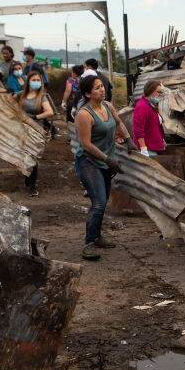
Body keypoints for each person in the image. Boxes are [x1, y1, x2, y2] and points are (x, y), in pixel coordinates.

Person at [73, 74, 131, 260]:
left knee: (102, 200)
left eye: (102, 86)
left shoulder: (108, 106)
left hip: (105, 160)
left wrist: (128, 139)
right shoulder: (84, 114)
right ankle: (88, 244)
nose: (102, 90)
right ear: (88, 93)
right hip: (89, 162)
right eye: (97, 88)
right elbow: (86, 144)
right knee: (98, 203)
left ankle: (97, 236)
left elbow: (119, 121)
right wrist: (108, 160)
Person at [18, 71, 54, 196]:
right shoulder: (22, 95)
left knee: (33, 157)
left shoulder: (42, 97)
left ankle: (32, 186)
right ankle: (27, 180)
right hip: (23, 130)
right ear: (28, 81)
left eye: (38, 80)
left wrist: (35, 117)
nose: (36, 82)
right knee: (25, 157)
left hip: (36, 131)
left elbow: (49, 112)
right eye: (33, 80)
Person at [133, 81, 166, 157]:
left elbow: (156, 126)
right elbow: (138, 130)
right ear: (150, 91)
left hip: (154, 147)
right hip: (148, 149)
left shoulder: (151, 105)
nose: (160, 95)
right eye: (158, 92)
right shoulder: (142, 106)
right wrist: (143, 149)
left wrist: (161, 140)